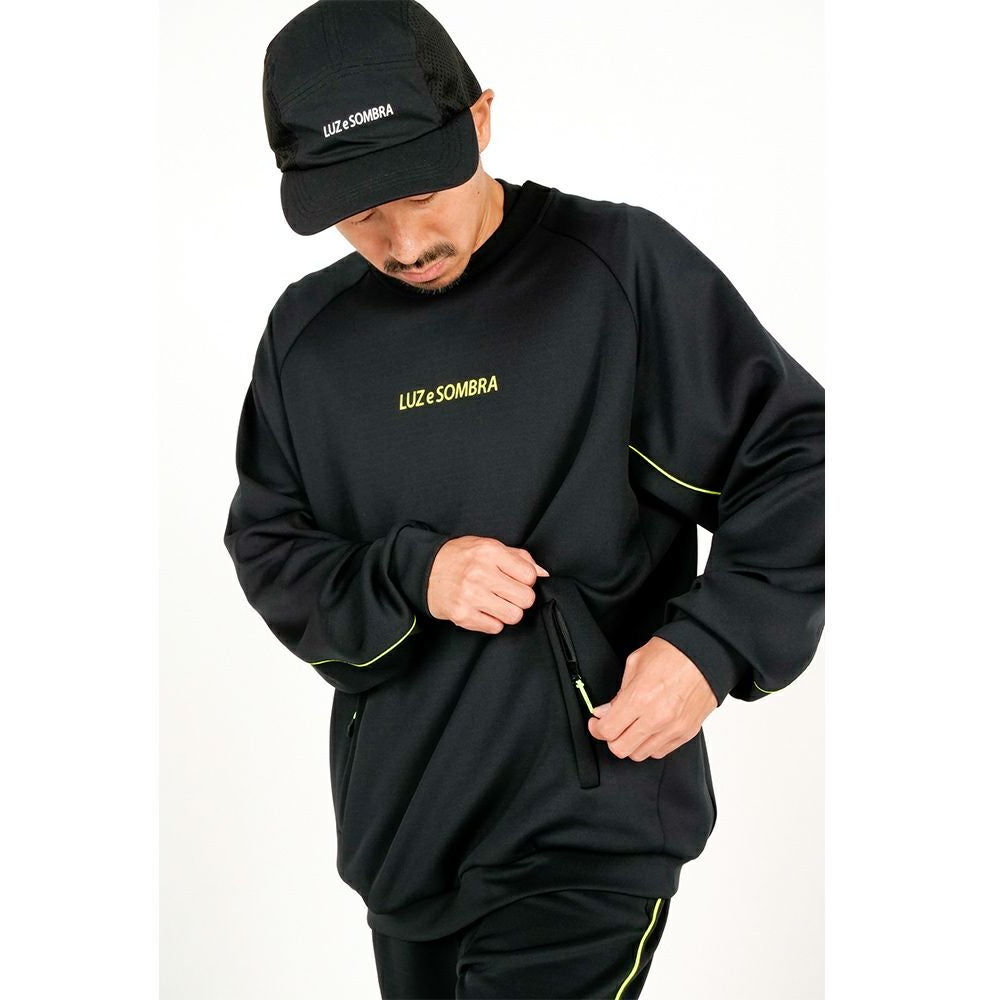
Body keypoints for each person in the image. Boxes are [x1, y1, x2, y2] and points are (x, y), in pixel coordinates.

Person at [223, 2, 825, 997]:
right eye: (361, 212)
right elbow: (271, 550)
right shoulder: (307, 340)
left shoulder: (615, 273)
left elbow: (801, 454)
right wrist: (415, 575)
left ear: (481, 120)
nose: (404, 241)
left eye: (421, 190)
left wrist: (712, 645)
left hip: (585, 831)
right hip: (405, 843)